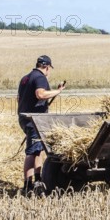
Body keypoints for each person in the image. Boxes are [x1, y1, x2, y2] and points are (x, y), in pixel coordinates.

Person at [17, 55, 65, 194]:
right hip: (35, 120)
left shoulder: (25, 78)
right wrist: (58, 91)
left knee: (38, 150)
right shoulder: (40, 77)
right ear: (47, 67)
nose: (49, 71)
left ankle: (38, 180)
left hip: (25, 118)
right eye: (49, 69)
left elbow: (19, 99)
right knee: (32, 152)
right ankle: (27, 185)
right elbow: (40, 94)